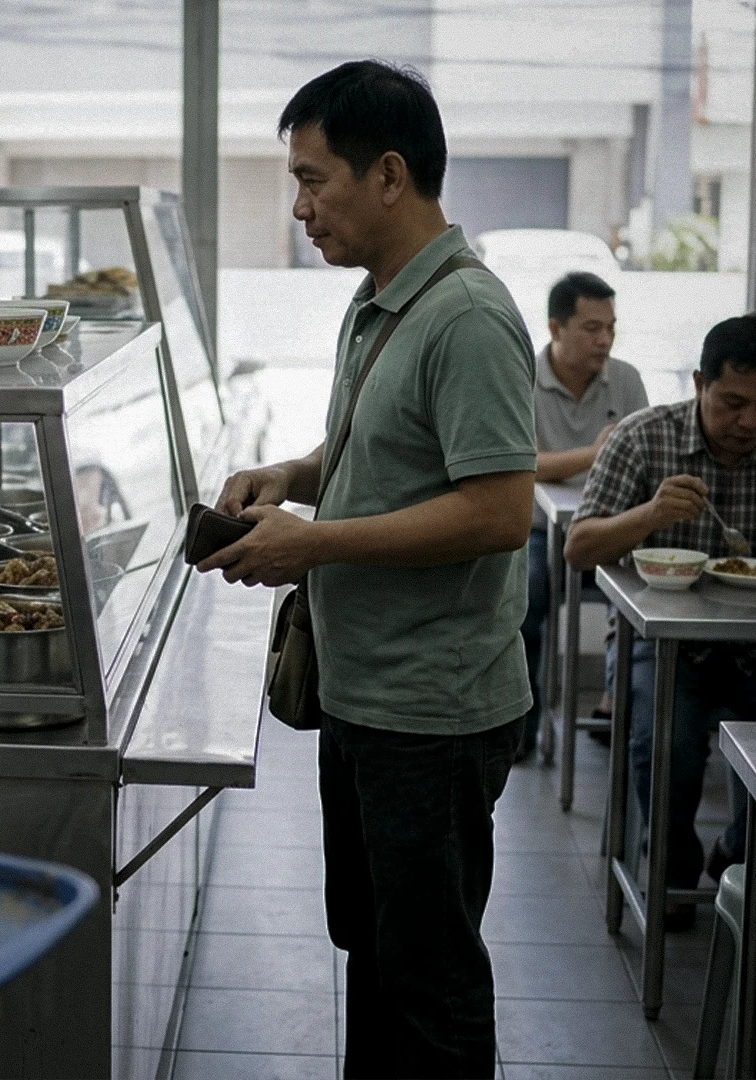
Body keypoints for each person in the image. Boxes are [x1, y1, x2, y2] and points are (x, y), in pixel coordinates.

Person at [202, 61, 536, 1078]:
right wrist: (294, 475)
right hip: (364, 694)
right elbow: (390, 451)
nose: (299, 208)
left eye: (313, 180)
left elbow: (497, 510)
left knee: (428, 976)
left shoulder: (467, 317)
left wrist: (311, 542)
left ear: (388, 175)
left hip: (428, 711)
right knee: (374, 950)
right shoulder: (379, 302)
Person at [565, 314, 756, 927]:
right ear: (700, 382)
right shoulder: (646, 437)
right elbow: (579, 548)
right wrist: (649, 514)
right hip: (664, 643)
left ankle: (738, 857)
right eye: (732, 403)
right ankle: (671, 869)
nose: (746, 423)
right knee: (666, 742)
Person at [517, 271, 648, 761]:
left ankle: (618, 706)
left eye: (611, 327)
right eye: (592, 328)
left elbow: (644, 459)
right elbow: (519, 463)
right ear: (556, 328)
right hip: (536, 531)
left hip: (608, 531)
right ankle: (522, 728)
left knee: (638, 597)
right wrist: (594, 455)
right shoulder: (522, 377)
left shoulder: (627, 380)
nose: (605, 340)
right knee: (524, 600)